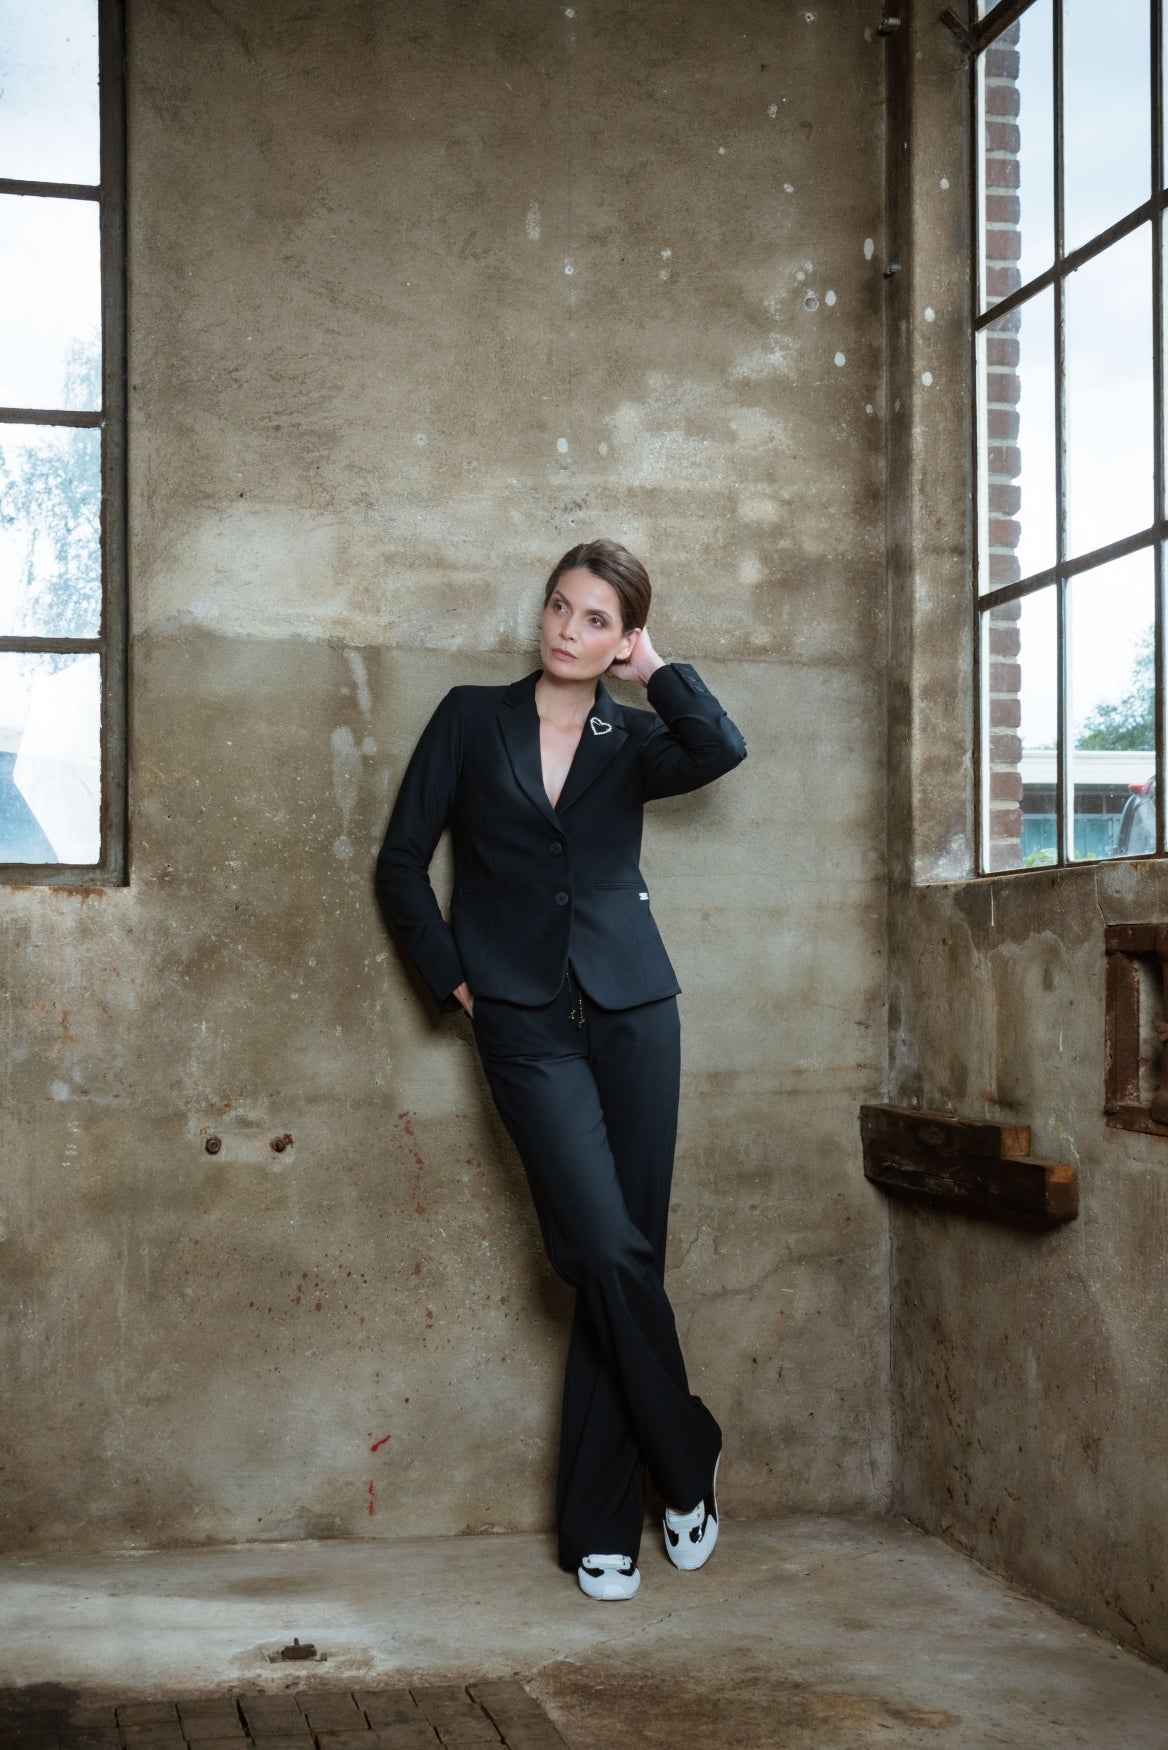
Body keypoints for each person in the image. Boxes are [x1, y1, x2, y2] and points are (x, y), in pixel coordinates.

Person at [376, 539, 747, 1601]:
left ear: (622, 638)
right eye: (559, 607)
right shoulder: (469, 718)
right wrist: (457, 982)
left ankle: (599, 1527)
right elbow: (400, 861)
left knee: (629, 1253)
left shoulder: (634, 739)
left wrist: (657, 669)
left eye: (595, 620)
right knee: (600, 1246)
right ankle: (686, 1452)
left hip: (635, 1010)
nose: (567, 631)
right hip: (521, 1016)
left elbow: (720, 746)